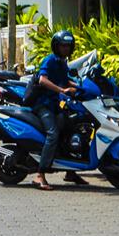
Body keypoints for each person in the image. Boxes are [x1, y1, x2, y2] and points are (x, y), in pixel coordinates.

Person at [25, 29, 86, 191]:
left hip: (53, 104)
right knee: (53, 133)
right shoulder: (50, 60)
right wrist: (61, 91)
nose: (66, 48)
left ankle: (70, 172)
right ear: (56, 46)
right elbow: (43, 80)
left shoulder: (62, 62)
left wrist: (84, 87)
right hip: (42, 104)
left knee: (71, 128)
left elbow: (66, 81)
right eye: (63, 46)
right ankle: (40, 175)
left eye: (68, 46)